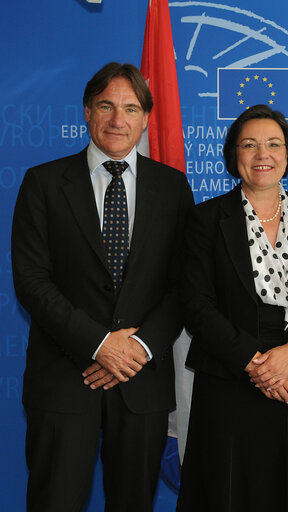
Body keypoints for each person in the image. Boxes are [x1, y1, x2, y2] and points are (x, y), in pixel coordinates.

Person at [11, 62, 194, 511]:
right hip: (63, 378)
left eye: (130, 108)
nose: (118, 119)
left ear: (146, 119)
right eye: (106, 106)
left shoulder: (173, 188)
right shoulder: (44, 183)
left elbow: (183, 285)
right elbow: (32, 282)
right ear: (87, 113)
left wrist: (135, 349)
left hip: (141, 380)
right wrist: (99, 345)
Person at [176, 104, 288, 511]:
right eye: (249, 145)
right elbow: (196, 304)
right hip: (230, 381)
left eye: (272, 144)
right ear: (234, 155)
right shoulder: (205, 218)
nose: (262, 154)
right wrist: (254, 364)